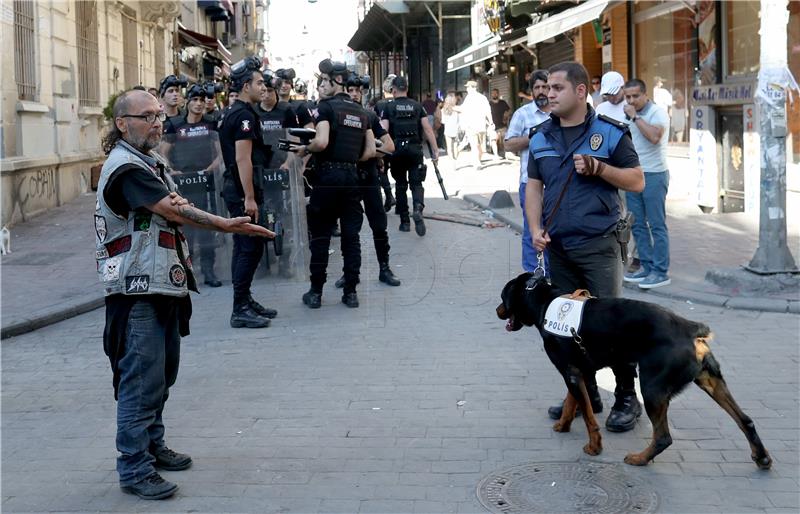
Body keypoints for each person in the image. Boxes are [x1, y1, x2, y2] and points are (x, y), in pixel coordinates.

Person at [97, 89, 271, 500]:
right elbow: (174, 210)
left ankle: (153, 445)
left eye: (159, 115)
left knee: (161, 376)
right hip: (136, 289)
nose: (159, 122)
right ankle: (134, 466)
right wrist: (227, 225)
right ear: (123, 123)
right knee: (141, 381)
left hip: (161, 284)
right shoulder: (125, 168)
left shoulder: (148, 162)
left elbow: (173, 205)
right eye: (148, 116)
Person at [524, 61, 645, 433]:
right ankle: (583, 394)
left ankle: (627, 396)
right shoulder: (540, 135)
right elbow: (533, 185)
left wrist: (600, 168)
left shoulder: (608, 133)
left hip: (600, 245)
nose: (548, 93)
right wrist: (534, 228)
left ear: (580, 92)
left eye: (557, 88)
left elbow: (637, 181)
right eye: (546, 88)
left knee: (612, 325)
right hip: (558, 247)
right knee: (565, 325)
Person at [296, 59, 375, 308]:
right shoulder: (361, 112)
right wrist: (351, 160)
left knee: (320, 236)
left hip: (328, 179)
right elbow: (371, 150)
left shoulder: (326, 108)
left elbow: (320, 142)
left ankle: (316, 293)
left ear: (335, 81)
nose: (322, 85)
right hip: (352, 179)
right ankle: (350, 293)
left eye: (324, 81)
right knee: (351, 238)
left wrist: (303, 149)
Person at [219, 56, 278, 328]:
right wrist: (250, 198)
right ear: (245, 87)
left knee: (246, 247)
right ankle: (239, 308)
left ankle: (244, 299)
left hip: (239, 188)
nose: (263, 87)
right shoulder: (242, 116)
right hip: (242, 190)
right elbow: (243, 159)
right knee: (249, 247)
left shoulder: (239, 112)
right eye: (258, 83)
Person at [333, 73, 401, 288]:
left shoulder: (369, 116)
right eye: (349, 90)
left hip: (368, 176)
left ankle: (384, 268)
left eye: (356, 91)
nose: (353, 94)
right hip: (348, 180)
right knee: (349, 229)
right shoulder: (338, 116)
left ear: (361, 93)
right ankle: (349, 273)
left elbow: (389, 146)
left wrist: (369, 152)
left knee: (379, 225)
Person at [161, 83, 224, 288]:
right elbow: (163, 153)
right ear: (188, 102)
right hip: (183, 186)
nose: (198, 104)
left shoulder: (210, 124)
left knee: (206, 226)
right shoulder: (175, 124)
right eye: (195, 100)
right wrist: (172, 171)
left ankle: (208, 271)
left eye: (202, 100)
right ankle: (187, 270)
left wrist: (211, 168)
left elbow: (220, 153)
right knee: (186, 230)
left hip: (206, 184)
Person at [622, 78, 672, 289]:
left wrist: (635, 118)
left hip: (655, 175)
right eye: (628, 97)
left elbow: (654, 137)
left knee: (656, 225)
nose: (631, 100)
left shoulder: (657, 113)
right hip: (635, 174)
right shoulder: (629, 115)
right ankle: (647, 267)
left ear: (645, 95)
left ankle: (661, 272)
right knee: (638, 225)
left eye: (635, 96)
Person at [379, 75, 439, 236]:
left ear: (393, 90)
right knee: (416, 184)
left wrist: (379, 153)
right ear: (406, 89)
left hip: (397, 151)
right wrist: (435, 149)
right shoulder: (417, 106)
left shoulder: (389, 107)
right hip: (415, 150)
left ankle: (405, 222)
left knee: (400, 185)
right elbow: (427, 129)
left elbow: (383, 130)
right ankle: (418, 208)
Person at [504, 69, 551, 274]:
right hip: (530, 183)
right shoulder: (523, 114)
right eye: (537, 88)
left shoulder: (560, 112)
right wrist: (532, 140)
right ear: (531, 91)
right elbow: (508, 144)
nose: (541, 91)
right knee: (533, 229)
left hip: (557, 184)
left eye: (545, 87)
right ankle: (534, 274)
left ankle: (554, 272)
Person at [457, 80, 493, 169]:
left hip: (475, 125)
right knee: (475, 145)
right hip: (477, 126)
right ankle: (477, 162)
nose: (467, 89)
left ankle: (477, 161)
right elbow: (488, 111)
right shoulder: (482, 98)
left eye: (468, 87)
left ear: (473, 88)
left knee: (478, 146)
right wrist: (491, 121)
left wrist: (453, 108)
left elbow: (462, 109)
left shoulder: (469, 98)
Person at [489, 88, 511, 158]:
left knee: (505, 140)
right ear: (491, 94)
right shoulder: (489, 104)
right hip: (493, 126)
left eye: (496, 93)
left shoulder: (503, 102)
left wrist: (506, 116)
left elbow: (509, 110)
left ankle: (507, 154)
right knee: (493, 140)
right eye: (493, 93)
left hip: (502, 125)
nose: (494, 94)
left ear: (498, 94)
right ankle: (496, 155)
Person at [441, 91, 460, 162]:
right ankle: (455, 159)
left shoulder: (443, 110)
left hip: (448, 130)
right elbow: (460, 120)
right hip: (456, 129)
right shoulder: (457, 108)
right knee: (455, 146)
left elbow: (443, 121)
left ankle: (452, 161)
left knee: (449, 147)